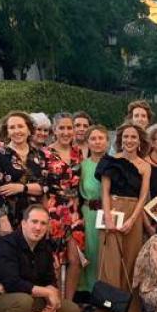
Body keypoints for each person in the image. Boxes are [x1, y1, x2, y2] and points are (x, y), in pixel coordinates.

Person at [0, 205, 84, 312]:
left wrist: (52, 297)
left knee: (71, 311)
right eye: (34, 222)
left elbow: (49, 278)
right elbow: (11, 283)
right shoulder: (6, 245)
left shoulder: (43, 247)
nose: (38, 227)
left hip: (28, 300)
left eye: (43, 223)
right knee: (23, 300)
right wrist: (47, 293)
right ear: (23, 224)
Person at [95, 123, 151, 312]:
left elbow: (143, 196)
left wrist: (133, 219)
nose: (129, 140)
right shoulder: (110, 161)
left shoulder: (145, 166)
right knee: (110, 262)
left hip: (133, 214)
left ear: (139, 140)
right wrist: (109, 217)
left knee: (130, 262)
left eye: (133, 137)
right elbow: (105, 191)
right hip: (112, 210)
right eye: (125, 137)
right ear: (120, 139)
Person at [43, 112, 86, 301]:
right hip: (53, 209)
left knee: (75, 259)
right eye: (62, 128)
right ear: (54, 130)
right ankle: (55, 303)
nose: (66, 132)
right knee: (56, 260)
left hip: (74, 211)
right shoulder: (45, 154)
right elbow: (42, 186)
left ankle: (68, 303)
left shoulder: (79, 153)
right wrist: (45, 214)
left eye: (70, 127)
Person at [0, 111, 49, 237]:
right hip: (10, 218)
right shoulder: (0, 156)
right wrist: (3, 220)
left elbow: (43, 187)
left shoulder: (40, 155)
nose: (17, 131)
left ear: (29, 130)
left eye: (20, 126)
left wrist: (21, 188)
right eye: (12, 127)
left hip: (35, 219)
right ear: (7, 132)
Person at [78, 125, 109, 297]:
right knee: (90, 252)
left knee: (106, 254)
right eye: (93, 139)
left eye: (100, 138)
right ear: (88, 142)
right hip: (89, 213)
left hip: (109, 214)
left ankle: (106, 293)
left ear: (107, 140)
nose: (97, 142)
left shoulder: (115, 163)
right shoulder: (82, 166)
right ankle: (89, 292)